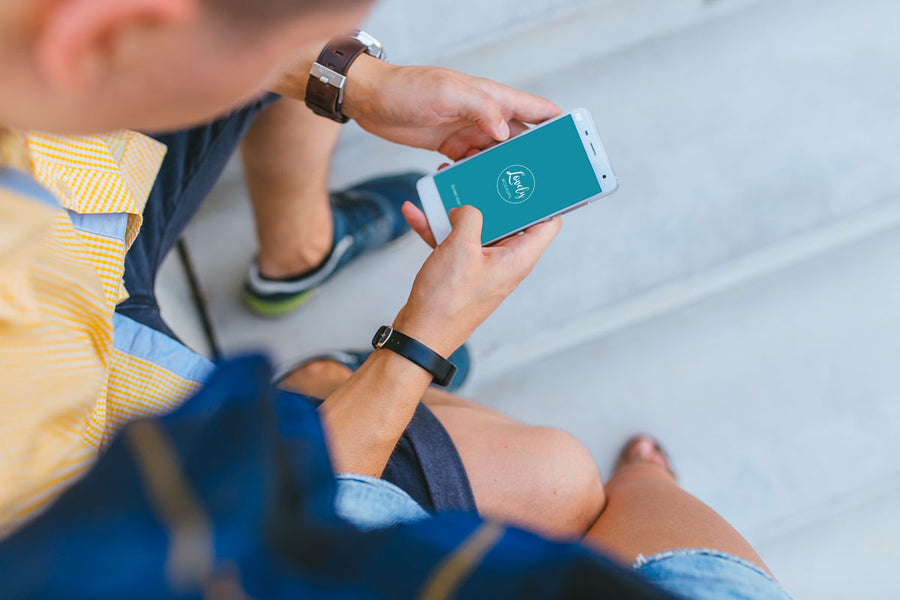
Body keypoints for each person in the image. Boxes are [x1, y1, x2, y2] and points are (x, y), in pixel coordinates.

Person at [0, 0, 793, 597]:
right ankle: (321, 376)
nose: (328, 52)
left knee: (553, 476)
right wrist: (421, 337)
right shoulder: (23, 414)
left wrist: (350, 80)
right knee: (556, 479)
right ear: (96, 33)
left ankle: (301, 264)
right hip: (100, 390)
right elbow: (257, 531)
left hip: (83, 238)